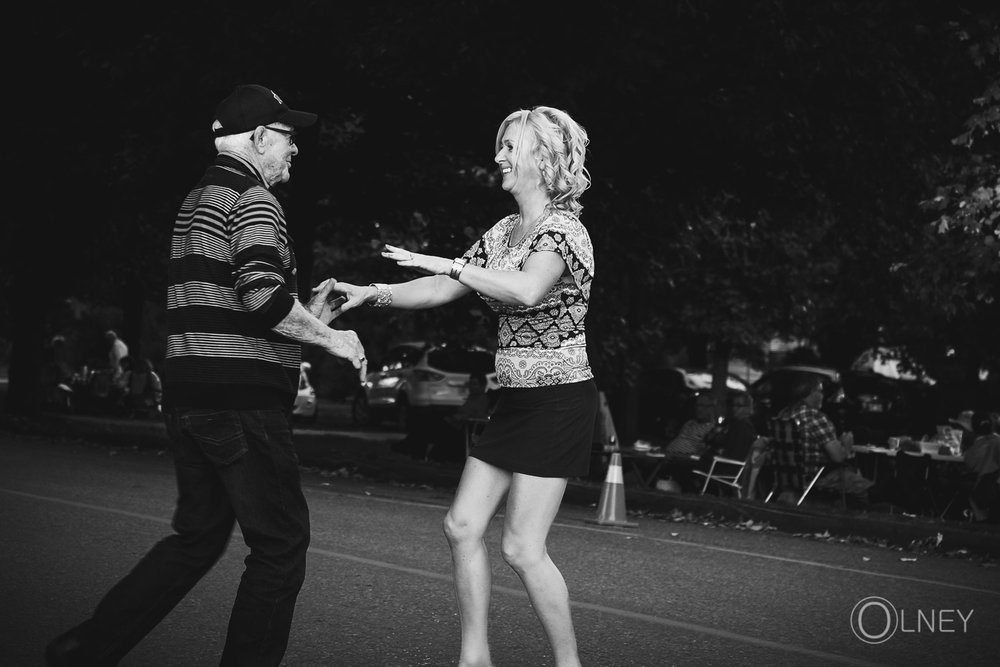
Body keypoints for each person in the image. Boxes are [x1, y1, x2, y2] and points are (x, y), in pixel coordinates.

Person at [45, 84, 366, 667]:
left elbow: (236, 306)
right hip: (240, 405)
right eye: (288, 137)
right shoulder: (254, 200)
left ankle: (85, 649)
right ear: (260, 138)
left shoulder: (200, 198)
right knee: (280, 545)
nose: (295, 149)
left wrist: (314, 318)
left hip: (192, 394)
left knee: (197, 537)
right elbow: (264, 299)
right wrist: (335, 339)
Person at [337, 105, 594, 667]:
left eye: (510, 147)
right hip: (516, 401)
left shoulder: (563, 231)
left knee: (522, 548)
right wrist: (372, 292)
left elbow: (526, 290)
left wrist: (454, 265)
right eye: (499, 145)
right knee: (461, 526)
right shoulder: (505, 231)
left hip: (559, 403)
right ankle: (474, 659)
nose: (498, 157)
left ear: (544, 159)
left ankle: (569, 664)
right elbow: (436, 289)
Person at [774, 375, 874, 502]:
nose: (823, 395)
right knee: (871, 491)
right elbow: (838, 457)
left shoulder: (784, 415)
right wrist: (847, 444)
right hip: (817, 477)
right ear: (809, 393)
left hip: (787, 477)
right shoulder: (815, 417)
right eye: (820, 391)